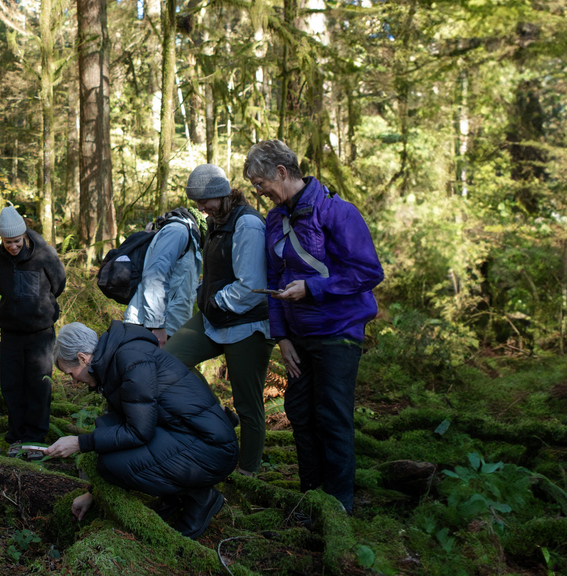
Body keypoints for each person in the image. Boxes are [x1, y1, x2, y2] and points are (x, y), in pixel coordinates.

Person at [243, 140, 384, 514]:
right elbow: (273, 280)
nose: (259, 193)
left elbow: (369, 272)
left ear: (282, 173)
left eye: (261, 184)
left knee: (332, 416)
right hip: (298, 338)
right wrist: (282, 338)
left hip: (338, 332)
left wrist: (312, 287)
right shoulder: (275, 220)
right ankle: (311, 496)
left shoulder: (338, 213)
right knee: (300, 413)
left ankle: (338, 507)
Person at [44, 321, 238, 539]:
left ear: (82, 358)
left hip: (211, 448)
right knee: (106, 429)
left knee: (110, 463)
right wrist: (93, 494)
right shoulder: (115, 360)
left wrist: (79, 443)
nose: (75, 380)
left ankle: (199, 497)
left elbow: (138, 432)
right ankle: (173, 495)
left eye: (71, 373)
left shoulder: (130, 359)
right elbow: (127, 427)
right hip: (188, 437)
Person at [162, 164, 274, 478]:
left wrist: (214, 299)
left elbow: (251, 287)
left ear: (222, 194)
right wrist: (203, 292)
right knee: (167, 361)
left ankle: (248, 472)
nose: (200, 208)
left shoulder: (248, 224)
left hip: (246, 325)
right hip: (214, 319)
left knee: (248, 404)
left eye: (204, 201)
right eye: (196, 202)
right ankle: (216, 415)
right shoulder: (217, 219)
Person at [0, 206, 66, 457]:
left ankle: (35, 438)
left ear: (24, 236)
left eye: (17, 241)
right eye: (8, 242)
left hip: (40, 334)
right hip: (11, 334)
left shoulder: (45, 255)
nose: (13, 246)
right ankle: (16, 436)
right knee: (12, 385)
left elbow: (59, 283)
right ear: (2, 239)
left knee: (38, 385)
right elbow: (1, 288)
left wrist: (41, 307)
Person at [122, 207, 202, 347]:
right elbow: (155, 276)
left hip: (169, 326)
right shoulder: (178, 231)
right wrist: (157, 325)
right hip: (150, 327)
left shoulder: (193, 236)